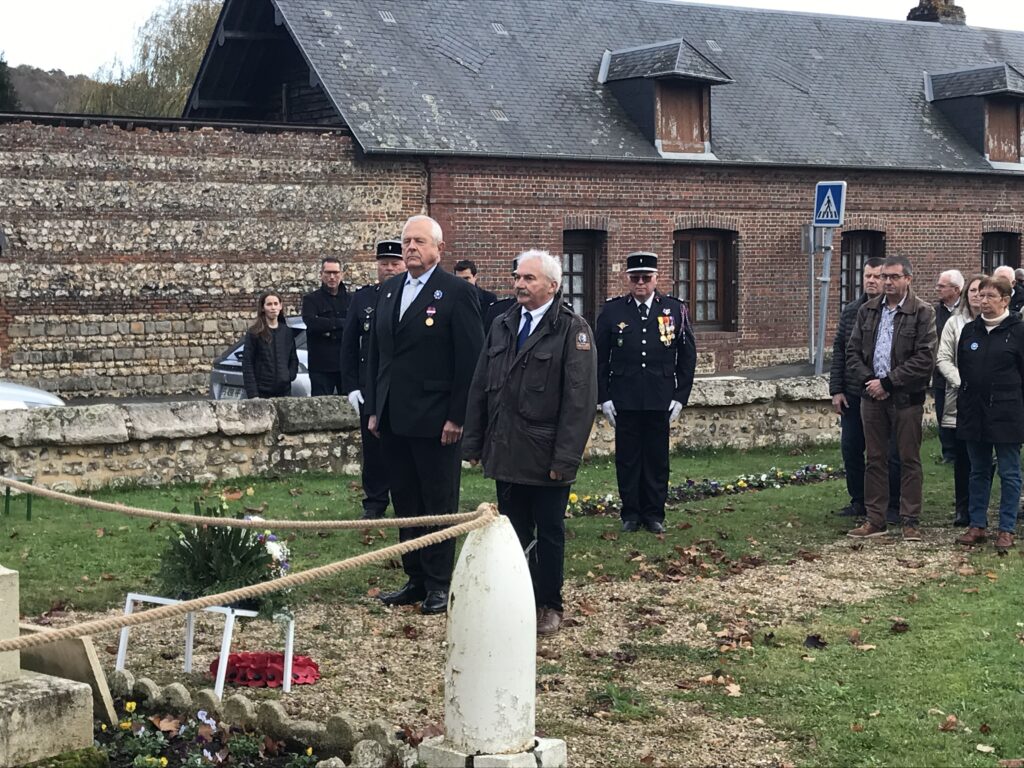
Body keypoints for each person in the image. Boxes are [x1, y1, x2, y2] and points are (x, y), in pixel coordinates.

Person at [463, 249, 597, 636]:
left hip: (545, 454)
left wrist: (565, 459)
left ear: (552, 286)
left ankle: (549, 603)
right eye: (517, 277)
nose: (519, 284)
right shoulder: (503, 324)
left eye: (528, 278)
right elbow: (480, 385)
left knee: (549, 532)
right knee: (511, 532)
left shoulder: (572, 330)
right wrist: (474, 443)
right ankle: (516, 599)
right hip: (506, 450)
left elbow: (579, 402)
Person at [364, 215, 484, 615]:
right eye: (406, 241)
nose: (411, 247)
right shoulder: (389, 290)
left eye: (419, 241)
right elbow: (378, 355)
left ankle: (438, 582)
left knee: (437, 501)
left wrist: (457, 416)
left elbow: (469, 360)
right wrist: (375, 408)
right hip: (394, 418)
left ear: (439, 248)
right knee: (406, 500)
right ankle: (414, 576)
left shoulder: (456, 292)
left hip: (436, 421)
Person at [595, 252, 696, 534]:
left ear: (656, 279)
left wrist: (680, 396)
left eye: (646, 277)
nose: (640, 283)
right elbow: (600, 358)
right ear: (627, 279)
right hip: (624, 397)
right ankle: (630, 513)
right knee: (627, 459)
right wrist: (604, 397)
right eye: (635, 278)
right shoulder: (613, 311)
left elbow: (687, 356)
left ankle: (653, 514)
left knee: (656, 459)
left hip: (659, 396)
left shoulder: (674, 309)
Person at [846, 255, 937, 541]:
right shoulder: (868, 310)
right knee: (875, 458)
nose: (887, 282)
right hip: (871, 397)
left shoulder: (922, 312)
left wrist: (888, 382)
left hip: (906, 399)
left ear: (908, 279)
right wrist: (870, 382)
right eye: (884, 276)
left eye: (894, 277)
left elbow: (925, 358)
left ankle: (910, 519)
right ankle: (875, 518)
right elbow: (852, 352)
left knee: (908, 458)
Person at [828, 257, 902, 523]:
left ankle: (892, 503)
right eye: (867, 275)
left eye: (877, 276)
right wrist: (836, 389)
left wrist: (887, 383)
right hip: (854, 391)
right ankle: (858, 499)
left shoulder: (894, 311)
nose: (871, 281)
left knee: (888, 452)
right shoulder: (852, 310)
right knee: (851, 448)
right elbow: (840, 350)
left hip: (888, 392)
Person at [955, 275, 1024, 551]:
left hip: (1007, 412)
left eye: (990, 296)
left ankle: (1006, 528)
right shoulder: (970, 331)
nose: (983, 301)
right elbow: (963, 368)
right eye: (980, 295)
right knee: (978, 470)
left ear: (1005, 300)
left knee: (1009, 472)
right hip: (974, 411)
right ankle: (977, 524)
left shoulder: (1018, 331)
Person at [340, 239, 406, 520]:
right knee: (373, 448)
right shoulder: (363, 298)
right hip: (370, 387)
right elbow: (349, 345)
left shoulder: (411, 296)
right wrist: (351, 387)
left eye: (394, 263)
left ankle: (405, 501)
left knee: (402, 448)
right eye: (384, 264)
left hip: (402, 386)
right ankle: (375, 502)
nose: (389, 269)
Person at [935, 274, 984, 527]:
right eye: (973, 291)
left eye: (982, 291)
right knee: (963, 456)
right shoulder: (954, 323)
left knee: (985, 458)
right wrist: (962, 382)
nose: (977, 295)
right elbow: (943, 358)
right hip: (961, 397)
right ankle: (962, 508)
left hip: (991, 399)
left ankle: (981, 507)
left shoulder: (1001, 323)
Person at [301, 257, 350, 396]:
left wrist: (327, 325)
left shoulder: (352, 299)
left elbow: (354, 325)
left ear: (342, 274)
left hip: (346, 364)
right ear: (321, 274)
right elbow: (312, 323)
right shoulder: (311, 300)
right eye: (328, 273)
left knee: (351, 405)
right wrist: (341, 323)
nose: (332, 277)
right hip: (321, 366)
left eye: (335, 272)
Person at [241, 290, 298, 399]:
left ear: (280, 306)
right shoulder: (254, 333)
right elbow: (247, 363)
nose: (273, 307)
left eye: (276, 304)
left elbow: (293, 358)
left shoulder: (287, 332)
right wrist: (253, 394)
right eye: (269, 304)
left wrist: (289, 376)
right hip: (261, 392)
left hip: (284, 392)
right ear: (263, 308)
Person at [932, 269, 963, 463]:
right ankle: (948, 452)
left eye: (942, 286)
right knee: (942, 411)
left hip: (962, 370)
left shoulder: (966, 312)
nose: (938, 289)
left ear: (956, 289)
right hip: (940, 372)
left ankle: (962, 450)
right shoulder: (935, 312)